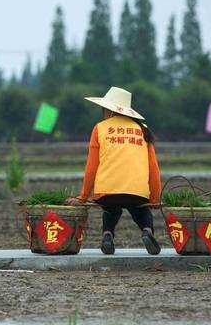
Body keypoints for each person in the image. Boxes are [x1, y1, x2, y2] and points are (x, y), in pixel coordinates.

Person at [65, 86, 162, 255]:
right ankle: (147, 231)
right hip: (137, 192)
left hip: (107, 192)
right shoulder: (142, 129)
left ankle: (107, 234)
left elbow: (91, 167)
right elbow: (153, 168)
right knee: (140, 210)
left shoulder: (100, 128)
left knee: (111, 209)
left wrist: (82, 197)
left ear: (109, 110)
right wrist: (155, 198)